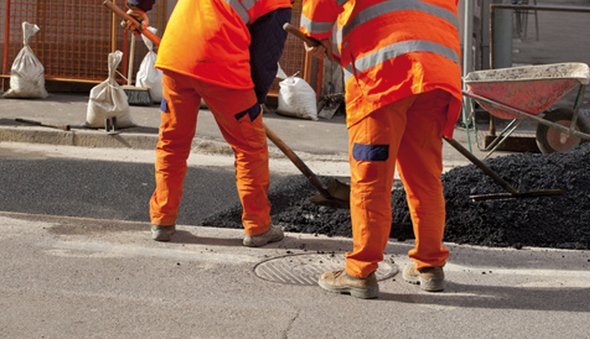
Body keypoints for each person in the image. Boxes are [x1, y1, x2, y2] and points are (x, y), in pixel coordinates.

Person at [300, 0, 462, 298]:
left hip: (383, 77)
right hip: (436, 74)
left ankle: (360, 272)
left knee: (371, 178)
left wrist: (315, 34)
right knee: (425, 177)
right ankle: (430, 265)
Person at [126, 0, 292, 246]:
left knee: (172, 142)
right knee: (250, 147)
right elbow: (264, 56)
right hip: (223, 64)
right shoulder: (278, 2)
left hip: (176, 55)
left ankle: (162, 220)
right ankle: (258, 227)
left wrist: (138, 6)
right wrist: (253, 103)